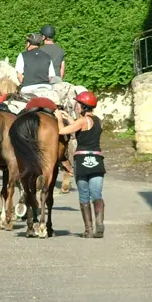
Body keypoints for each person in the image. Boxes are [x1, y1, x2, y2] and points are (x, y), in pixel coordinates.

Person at [54, 91, 105, 239]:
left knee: (84, 195)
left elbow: (62, 131)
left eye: (78, 104)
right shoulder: (97, 120)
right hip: (97, 159)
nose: (76, 106)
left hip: (82, 160)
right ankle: (99, 223)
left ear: (83, 106)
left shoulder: (81, 121)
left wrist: (58, 118)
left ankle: (88, 230)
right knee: (96, 193)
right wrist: (70, 118)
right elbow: (83, 128)